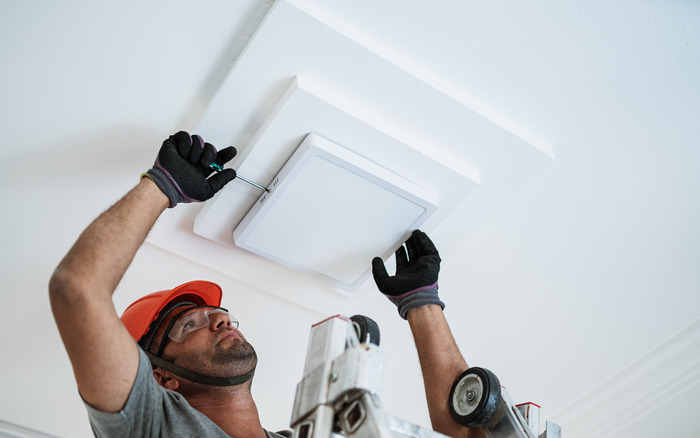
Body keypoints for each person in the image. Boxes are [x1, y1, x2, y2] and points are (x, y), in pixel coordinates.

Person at [49, 131, 483, 438]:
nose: (219, 320)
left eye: (220, 314)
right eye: (189, 324)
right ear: (162, 378)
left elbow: (469, 434)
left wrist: (422, 304)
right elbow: (77, 289)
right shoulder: (152, 425)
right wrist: (161, 187)